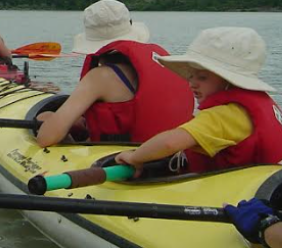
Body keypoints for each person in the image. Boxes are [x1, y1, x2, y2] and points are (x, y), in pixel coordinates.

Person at [114, 27, 282, 176]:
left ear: (229, 81)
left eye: (202, 77)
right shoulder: (258, 104)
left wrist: (135, 157)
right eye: (191, 75)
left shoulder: (225, 114)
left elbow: (170, 143)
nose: (192, 83)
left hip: (233, 198)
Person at [36, 0, 193, 147]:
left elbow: (46, 139)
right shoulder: (163, 59)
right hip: (173, 153)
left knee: (45, 117)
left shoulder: (100, 77)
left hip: (125, 160)